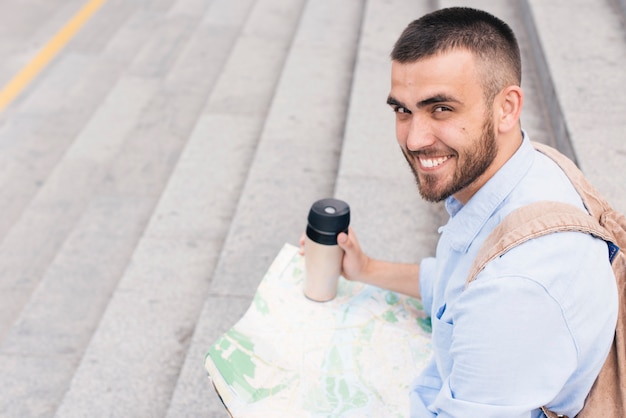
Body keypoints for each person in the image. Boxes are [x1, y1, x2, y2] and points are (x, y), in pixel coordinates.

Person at [301, 7, 618, 418]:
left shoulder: (515, 289)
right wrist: (366, 268)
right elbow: (456, 285)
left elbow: (490, 297)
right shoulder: (528, 167)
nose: (414, 139)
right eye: (403, 110)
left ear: (507, 108)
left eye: (441, 109)